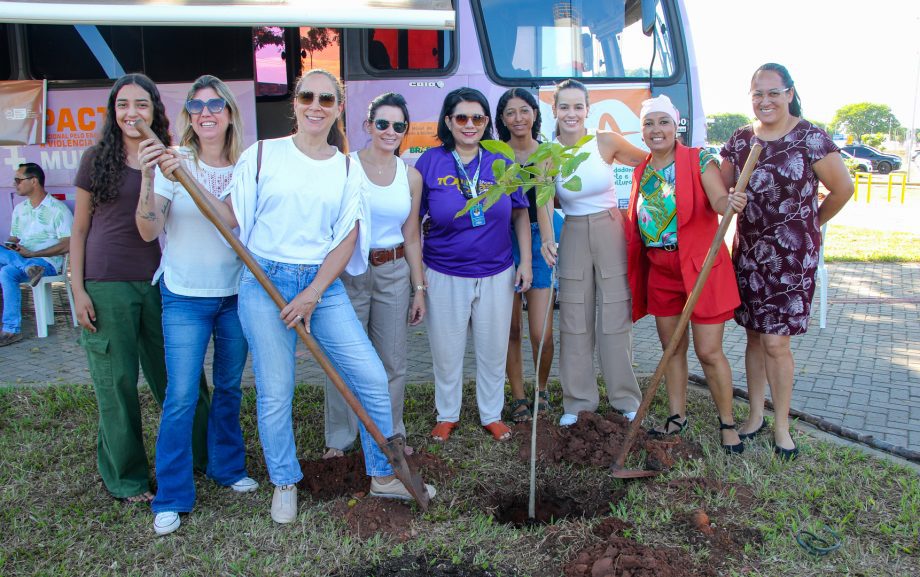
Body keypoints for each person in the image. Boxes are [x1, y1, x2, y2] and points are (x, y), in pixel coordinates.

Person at [225, 69, 434, 524]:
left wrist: (314, 293)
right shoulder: (262, 155)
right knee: (276, 391)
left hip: (323, 284)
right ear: (295, 102)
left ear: (339, 108)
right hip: (265, 280)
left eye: (326, 98)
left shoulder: (345, 167)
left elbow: (347, 238)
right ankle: (284, 480)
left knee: (372, 377)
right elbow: (230, 215)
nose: (315, 105)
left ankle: (382, 473)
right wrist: (178, 175)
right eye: (307, 96)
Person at [71, 73, 210, 504]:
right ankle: (127, 478)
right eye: (123, 105)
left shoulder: (172, 157)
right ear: (114, 114)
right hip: (105, 281)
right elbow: (78, 231)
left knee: (179, 376)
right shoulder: (96, 159)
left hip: (159, 281)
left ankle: (201, 457)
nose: (132, 113)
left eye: (142, 105)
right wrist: (77, 290)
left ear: (155, 111)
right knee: (117, 382)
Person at [135, 75, 258, 536]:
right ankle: (171, 495)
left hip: (235, 293)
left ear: (229, 113)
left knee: (228, 388)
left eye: (215, 104)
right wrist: (151, 176)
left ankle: (226, 469)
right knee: (182, 395)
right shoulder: (174, 161)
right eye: (196, 105)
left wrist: (186, 179)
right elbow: (150, 231)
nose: (206, 112)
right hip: (184, 295)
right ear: (188, 115)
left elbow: (232, 220)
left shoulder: (246, 165)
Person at [720, 63, 853, 460]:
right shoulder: (741, 140)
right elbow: (721, 189)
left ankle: (782, 426)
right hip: (749, 253)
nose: (765, 101)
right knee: (755, 336)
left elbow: (843, 188)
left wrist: (810, 222)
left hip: (791, 258)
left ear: (790, 93)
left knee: (777, 342)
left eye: (773, 93)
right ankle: (756, 415)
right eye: (758, 94)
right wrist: (728, 200)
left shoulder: (811, 138)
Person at [626, 95, 746, 453]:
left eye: (663, 121)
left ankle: (727, 421)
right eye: (649, 123)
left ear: (675, 125)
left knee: (708, 351)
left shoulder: (698, 160)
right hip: (661, 269)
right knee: (671, 349)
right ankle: (677, 416)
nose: (656, 129)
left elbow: (719, 203)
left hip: (700, 266)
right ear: (642, 131)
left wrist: (731, 202)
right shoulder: (641, 170)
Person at [417, 87, 532, 443]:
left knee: (493, 346)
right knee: (446, 349)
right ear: (448, 121)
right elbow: (413, 221)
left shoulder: (501, 160)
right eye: (462, 117)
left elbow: (520, 213)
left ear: (487, 122)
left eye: (478, 118)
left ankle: (491, 414)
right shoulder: (430, 161)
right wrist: (418, 280)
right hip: (444, 270)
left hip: (497, 271)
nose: (470, 125)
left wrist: (525, 261)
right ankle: (447, 414)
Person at [322, 92, 426, 458]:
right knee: (343, 357)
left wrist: (419, 288)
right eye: (382, 123)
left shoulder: (410, 176)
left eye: (399, 125)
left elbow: (412, 235)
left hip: (394, 271)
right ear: (368, 126)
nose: (390, 131)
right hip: (349, 270)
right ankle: (340, 438)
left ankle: (390, 435)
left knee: (392, 361)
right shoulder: (344, 167)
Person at [540, 79, 646, 427]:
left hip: (609, 228)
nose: (572, 113)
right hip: (572, 231)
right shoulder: (548, 153)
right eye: (565, 107)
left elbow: (649, 165)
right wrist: (545, 238)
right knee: (573, 318)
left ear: (588, 109)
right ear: (554, 110)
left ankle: (625, 399)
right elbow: (543, 199)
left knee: (615, 316)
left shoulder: (605, 140)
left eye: (578, 106)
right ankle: (578, 402)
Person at [494, 88, 562, 423]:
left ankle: (542, 388)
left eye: (524, 110)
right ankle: (518, 395)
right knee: (510, 329)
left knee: (542, 332)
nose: (518, 118)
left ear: (535, 114)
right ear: (502, 119)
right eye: (510, 112)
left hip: (537, 238)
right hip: (500, 241)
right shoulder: (494, 154)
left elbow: (545, 201)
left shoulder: (547, 152)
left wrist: (548, 242)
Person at [1, 163, 73, 346]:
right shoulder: (20, 209)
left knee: (6, 272)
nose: (14, 184)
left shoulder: (58, 209)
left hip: (45, 263)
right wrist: (12, 246)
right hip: (23, 260)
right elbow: (14, 238)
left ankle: (11, 330)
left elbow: (68, 243)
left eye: (18, 180)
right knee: (6, 266)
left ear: (34, 181)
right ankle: (27, 268)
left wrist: (34, 253)